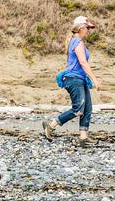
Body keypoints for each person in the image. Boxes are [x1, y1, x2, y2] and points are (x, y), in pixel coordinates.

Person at [43, 15, 100, 147]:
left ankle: (83, 137)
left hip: (80, 79)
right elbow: (83, 62)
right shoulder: (77, 42)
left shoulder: (78, 42)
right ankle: (51, 125)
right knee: (78, 108)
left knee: (87, 109)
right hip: (73, 79)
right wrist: (95, 79)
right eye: (87, 28)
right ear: (80, 28)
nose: (88, 31)